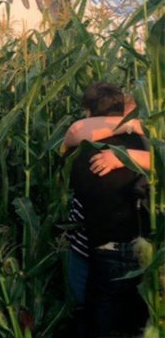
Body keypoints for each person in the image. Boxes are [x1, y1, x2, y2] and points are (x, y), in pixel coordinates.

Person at [62, 83, 149, 336]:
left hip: (94, 245)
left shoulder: (79, 151)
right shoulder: (144, 145)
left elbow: (75, 132)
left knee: (96, 311)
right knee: (135, 315)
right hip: (138, 244)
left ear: (90, 112)